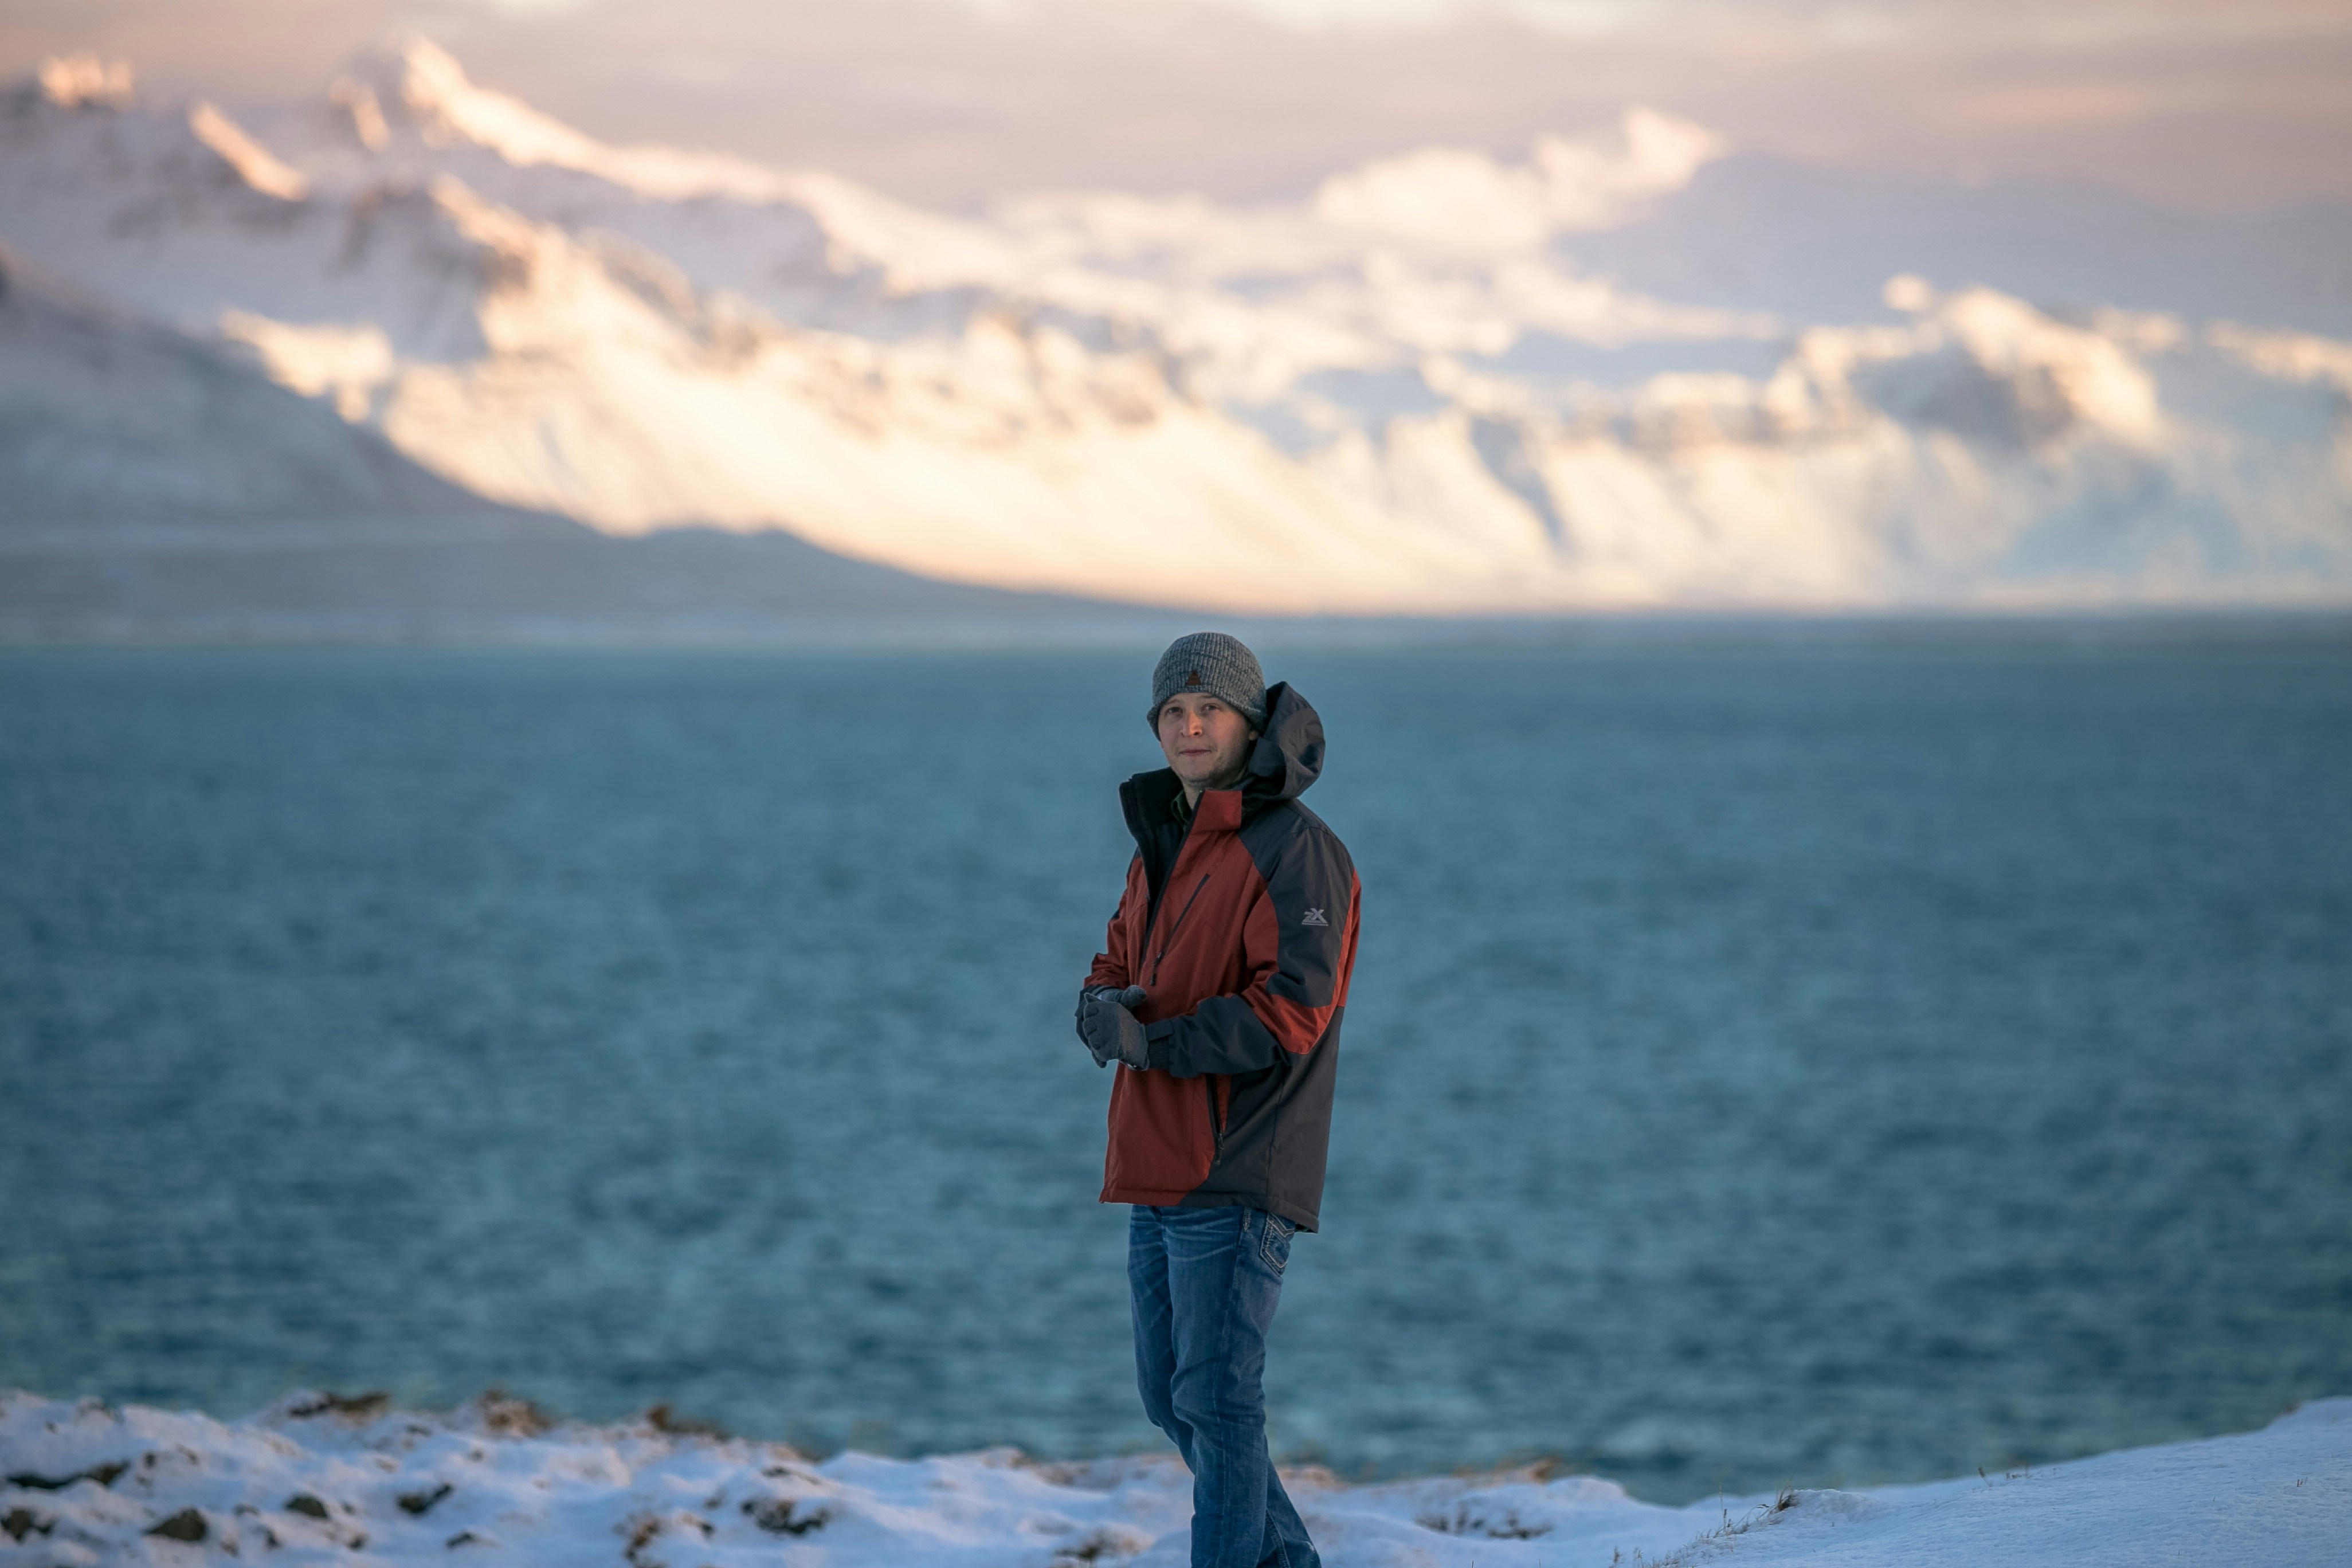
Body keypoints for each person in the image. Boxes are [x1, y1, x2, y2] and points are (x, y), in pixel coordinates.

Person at [1075, 632, 1362, 1568]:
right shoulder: (1167, 835)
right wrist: (1100, 1004)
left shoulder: (1299, 852)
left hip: (1237, 1161)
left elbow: (1293, 1011)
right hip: (1157, 1159)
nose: (1191, 727)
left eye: (1210, 710)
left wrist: (1154, 1040)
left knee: (1218, 1398)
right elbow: (1121, 956)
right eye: (1173, 712)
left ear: (1249, 723)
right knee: (1173, 1397)